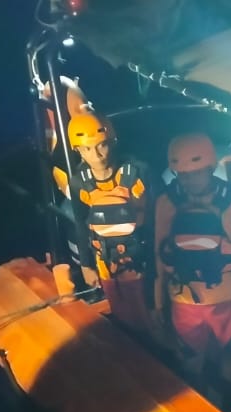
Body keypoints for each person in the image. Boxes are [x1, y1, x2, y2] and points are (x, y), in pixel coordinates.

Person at [153, 133, 231, 407]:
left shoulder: (230, 199)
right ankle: (198, 406)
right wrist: (157, 300)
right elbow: (158, 251)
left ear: (211, 168)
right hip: (184, 301)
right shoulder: (168, 202)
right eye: (182, 175)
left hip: (225, 299)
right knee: (190, 358)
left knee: (230, 352)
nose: (188, 181)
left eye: (195, 174)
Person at [65, 112, 157, 337]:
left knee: (149, 313)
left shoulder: (138, 172)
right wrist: (86, 265)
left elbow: (158, 212)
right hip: (106, 260)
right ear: (78, 151)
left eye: (101, 146)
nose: (96, 155)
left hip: (142, 257)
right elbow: (81, 223)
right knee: (120, 312)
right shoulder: (79, 183)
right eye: (87, 149)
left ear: (111, 142)